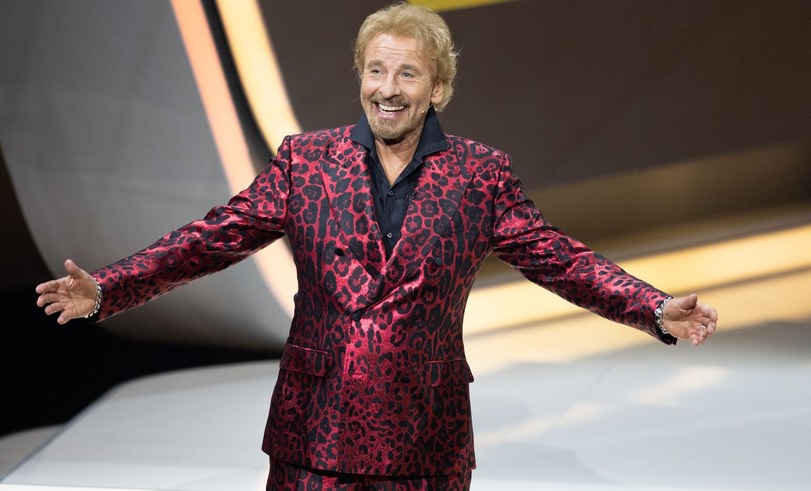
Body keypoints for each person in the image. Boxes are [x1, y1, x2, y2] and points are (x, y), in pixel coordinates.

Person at [36, 3, 718, 490]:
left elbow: (560, 259)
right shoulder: (306, 162)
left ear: (437, 87)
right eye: (375, 71)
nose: (386, 90)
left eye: (406, 75)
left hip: (427, 435)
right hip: (315, 434)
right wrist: (109, 287)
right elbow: (209, 240)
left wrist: (650, 308)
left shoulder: (480, 176)